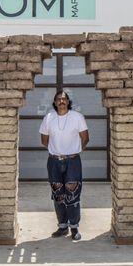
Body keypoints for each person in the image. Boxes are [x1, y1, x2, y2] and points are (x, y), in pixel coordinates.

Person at [39, 90, 89, 241]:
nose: (61, 101)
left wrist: (73, 152)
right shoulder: (49, 118)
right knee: (58, 194)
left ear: (68, 102)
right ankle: (62, 226)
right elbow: (44, 140)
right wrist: (57, 151)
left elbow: (85, 138)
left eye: (64, 99)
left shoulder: (77, 117)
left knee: (73, 193)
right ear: (54, 102)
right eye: (58, 99)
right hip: (54, 161)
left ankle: (74, 227)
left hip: (72, 161)